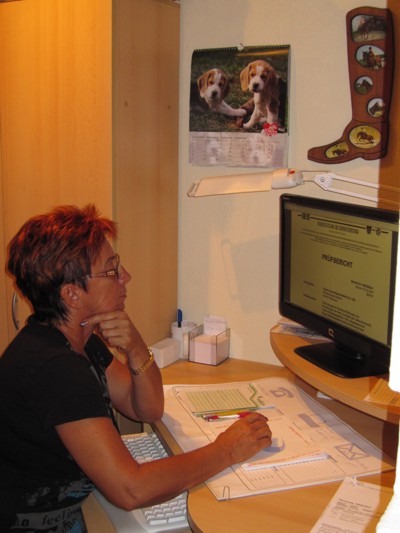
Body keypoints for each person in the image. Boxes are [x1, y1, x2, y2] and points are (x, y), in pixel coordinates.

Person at [0, 204, 272, 532]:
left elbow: (145, 408)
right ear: (72, 294)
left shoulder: (76, 339)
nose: (125, 277)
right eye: (112, 270)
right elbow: (131, 490)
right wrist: (226, 451)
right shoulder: (56, 369)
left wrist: (136, 347)